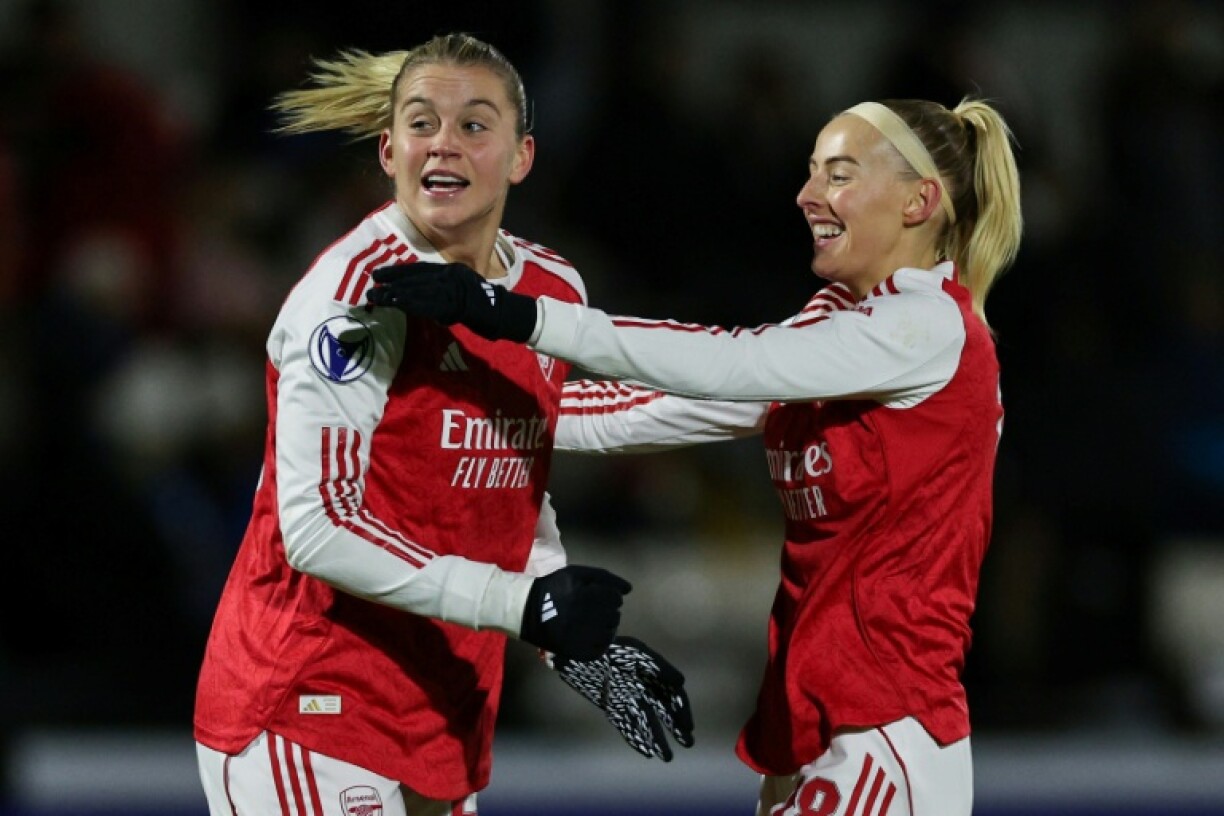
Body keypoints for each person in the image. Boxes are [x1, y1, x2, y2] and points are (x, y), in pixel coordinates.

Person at [368, 96, 1023, 815]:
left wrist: (522, 316)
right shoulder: (836, 325)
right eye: (810, 174)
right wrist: (433, 417)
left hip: (886, 730)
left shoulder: (929, 325)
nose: (807, 196)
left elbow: (730, 363)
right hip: (814, 725)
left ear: (919, 201)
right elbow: (656, 407)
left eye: (838, 175)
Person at [193, 34, 691, 816]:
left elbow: (508, 475)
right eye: (422, 124)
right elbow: (317, 528)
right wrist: (522, 605)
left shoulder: (552, 288)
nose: (443, 145)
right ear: (389, 152)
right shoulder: (355, 294)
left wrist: (558, 631)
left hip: (442, 703)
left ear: (522, 156)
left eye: (473, 125)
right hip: (309, 701)